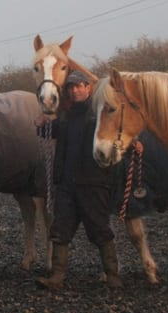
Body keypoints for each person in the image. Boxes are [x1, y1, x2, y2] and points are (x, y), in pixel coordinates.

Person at [35, 71, 123, 290]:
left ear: (88, 88)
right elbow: (51, 131)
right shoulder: (66, 116)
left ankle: (113, 276)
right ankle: (57, 277)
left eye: (79, 87)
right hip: (66, 183)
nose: (75, 91)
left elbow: (117, 134)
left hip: (93, 182)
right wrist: (42, 123)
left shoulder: (99, 114)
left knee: (100, 230)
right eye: (71, 88)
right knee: (60, 229)